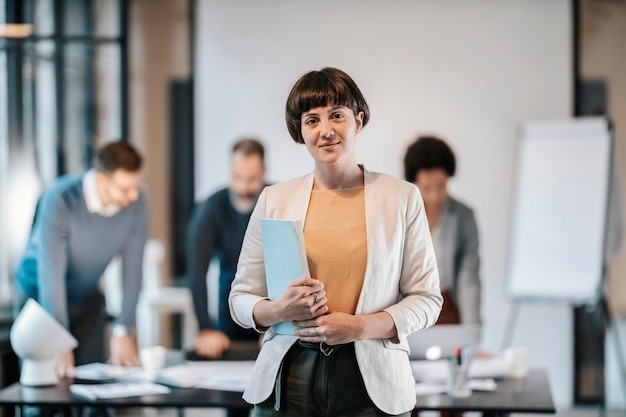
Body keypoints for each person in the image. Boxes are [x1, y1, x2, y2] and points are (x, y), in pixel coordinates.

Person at [229, 67, 442, 417]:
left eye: (337, 116)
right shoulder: (274, 199)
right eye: (312, 120)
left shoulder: (401, 197)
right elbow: (240, 299)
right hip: (290, 375)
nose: (325, 130)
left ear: (358, 120)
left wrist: (358, 326)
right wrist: (278, 311)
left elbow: (427, 299)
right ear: (301, 131)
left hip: (371, 382)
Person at [13, 141, 148, 378]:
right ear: (102, 180)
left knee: (90, 385)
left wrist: (123, 331)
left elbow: (133, 271)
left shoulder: (137, 204)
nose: (133, 195)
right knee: (45, 388)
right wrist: (59, 339)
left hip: (85, 297)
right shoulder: (61, 199)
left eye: (137, 186)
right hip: (39, 300)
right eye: (125, 189)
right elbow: (51, 275)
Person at [186, 138, 267, 417]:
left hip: (271, 310)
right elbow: (197, 271)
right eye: (237, 178)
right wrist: (205, 328)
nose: (244, 187)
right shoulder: (212, 207)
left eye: (252, 179)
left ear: (264, 171)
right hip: (229, 310)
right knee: (233, 402)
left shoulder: (276, 200)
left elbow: (294, 266)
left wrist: (279, 323)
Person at [403, 136, 481, 326]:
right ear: (414, 183)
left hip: (448, 307)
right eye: (427, 188)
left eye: (442, 186)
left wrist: (472, 332)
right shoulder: (401, 214)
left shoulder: (464, 216)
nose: (436, 195)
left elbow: (469, 278)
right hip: (410, 306)